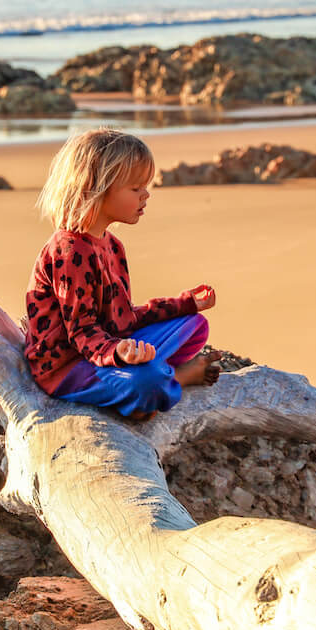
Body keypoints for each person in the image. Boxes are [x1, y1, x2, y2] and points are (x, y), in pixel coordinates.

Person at [25, 127, 220, 419]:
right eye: (135, 188)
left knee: (194, 325)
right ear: (96, 189)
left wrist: (184, 304)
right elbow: (82, 332)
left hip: (109, 345)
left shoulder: (111, 245)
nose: (146, 195)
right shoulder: (69, 252)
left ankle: (154, 379)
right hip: (70, 366)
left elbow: (124, 317)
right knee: (147, 380)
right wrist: (119, 353)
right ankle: (173, 380)